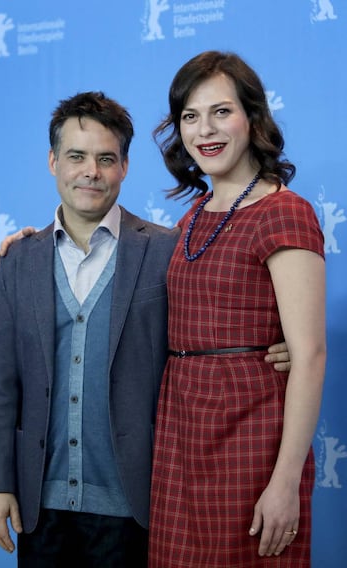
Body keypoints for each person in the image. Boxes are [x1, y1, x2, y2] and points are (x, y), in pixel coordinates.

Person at [0, 91, 291, 567]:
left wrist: (279, 345)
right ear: (52, 162)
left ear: (125, 166)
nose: (91, 171)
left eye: (107, 159)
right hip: (39, 503)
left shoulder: (168, 251)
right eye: (77, 157)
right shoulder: (20, 260)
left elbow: (215, 325)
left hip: (139, 500)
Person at [148, 51, 326, 568]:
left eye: (221, 111)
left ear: (253, 118)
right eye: (190, 116)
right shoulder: (189, 219)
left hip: (251, 433)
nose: (205, 129)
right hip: (181, 433)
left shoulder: (284, 211)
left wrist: (286, 480)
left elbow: (309, 356)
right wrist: (34, 243)